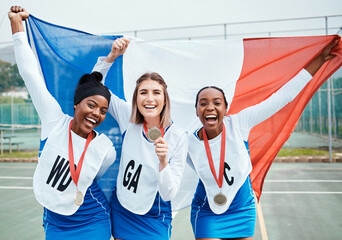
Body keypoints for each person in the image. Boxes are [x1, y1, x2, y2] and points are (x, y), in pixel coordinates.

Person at [187, 37, 339, 240]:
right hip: (207, 211)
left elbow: (283, 97)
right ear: (196, 111)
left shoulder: (240, 123)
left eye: (217, 102)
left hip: (242, 209)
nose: (210, 107)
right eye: (203, 103)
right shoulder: (187, 142)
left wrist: (319, 60)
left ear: (226, 108)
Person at [9, 6, 117, 240]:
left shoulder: (106, 149)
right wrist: (17, 28)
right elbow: (31, 75)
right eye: (91, 105)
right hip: (56, 222)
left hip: (92, 217)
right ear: (76, 104)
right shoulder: (54, 121)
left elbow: (91, 180)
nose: (96, 114)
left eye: (103, 110)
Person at [91, 38, 188, 240]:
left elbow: (169, 193)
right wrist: (111, 57)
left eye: (156, 93)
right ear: (136, 98)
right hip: (123, 209)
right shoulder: (128, 119)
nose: (149, 98)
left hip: (154, 215)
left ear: (164, 99)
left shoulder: (178, 136)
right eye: (143, 92)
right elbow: (93, 87)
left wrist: (163, 161)